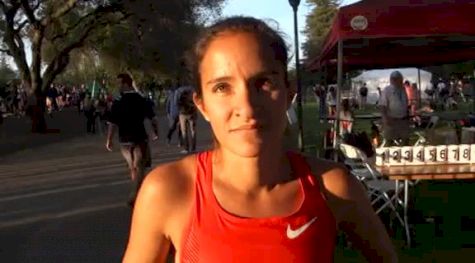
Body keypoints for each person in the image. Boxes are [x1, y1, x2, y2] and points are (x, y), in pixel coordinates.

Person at [122, 17, 396, 262]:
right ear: (202, 105)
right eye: (222, 87)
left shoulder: (332, 187)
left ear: (289, 91)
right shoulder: (169, 190)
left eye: (263, 83)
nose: (247, 107)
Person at [106, 73, 159, 206]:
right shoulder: (142, 100)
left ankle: (135, 194)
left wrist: (109, 139)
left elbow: (113, 123)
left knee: (133, 167)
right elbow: (153, 118)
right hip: (140, 137)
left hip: (125, 140)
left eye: (119, 83)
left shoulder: (117, 103)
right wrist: (155, 132)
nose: (118, 86)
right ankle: (137, 193)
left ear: (125, 84)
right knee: (139, 166)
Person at [380, 71, 410, 145]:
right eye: (399, 80)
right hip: (391, 120)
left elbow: (405, 103)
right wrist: (385, 118)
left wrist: (407, 114)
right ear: (393, 80)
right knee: (389, 141)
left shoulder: (403, 89)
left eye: (401, 80)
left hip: (403, 120)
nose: (401, 81)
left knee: (405, 141)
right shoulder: (387, 90)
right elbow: (382, 105)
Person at [177, 86, 198, 153]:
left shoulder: (181, 95)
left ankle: (186, 148)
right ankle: (193, 148)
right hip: (191, 114)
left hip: (183, 115)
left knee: (184, 132)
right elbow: (195, 106)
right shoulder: (192, 96)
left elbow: (178, 105)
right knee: (193, 131)